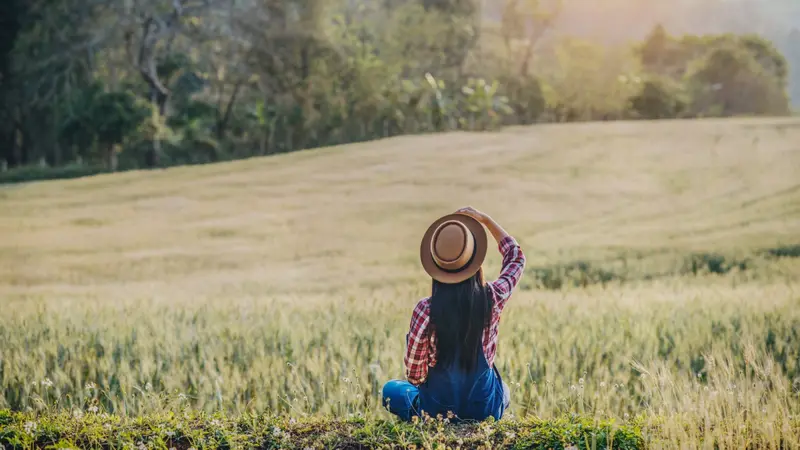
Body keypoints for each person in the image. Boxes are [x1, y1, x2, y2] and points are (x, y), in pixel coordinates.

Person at [382, 207, 526, 422]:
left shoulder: (425, 311)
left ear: (436, 267)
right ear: (475, 263)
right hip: (484, 411)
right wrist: (486, 221)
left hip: (436, 412)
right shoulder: (493, 298)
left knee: (391, 390)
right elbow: (515, 258)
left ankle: (426, 416)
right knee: (503, 389)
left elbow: (414, 375)